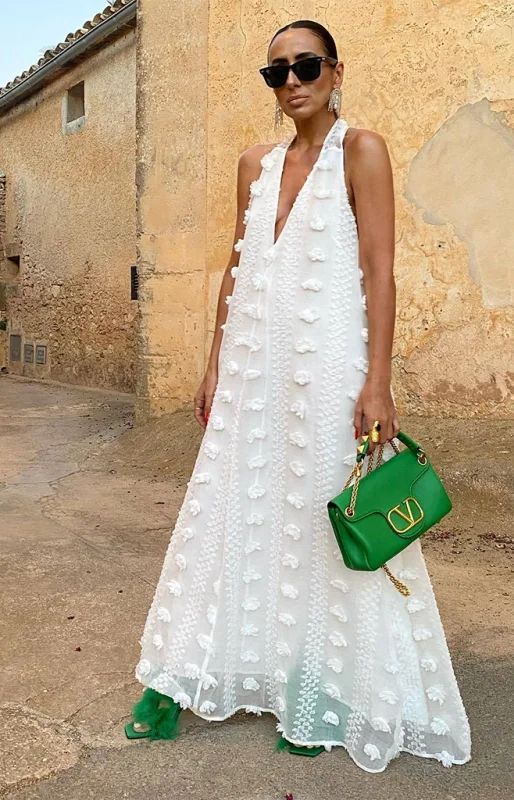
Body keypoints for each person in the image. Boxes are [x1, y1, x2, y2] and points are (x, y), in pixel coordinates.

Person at [125, 19, 472, 773]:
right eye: (275, 72)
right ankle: (176, 673)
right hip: (253, 366)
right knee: (225, 508)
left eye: (305, 66)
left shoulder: (364, 151)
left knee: (323, 518)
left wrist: (378, 380)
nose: (291, 82)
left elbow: (380, 270)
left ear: (335, 70)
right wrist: (214, 363)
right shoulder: (254, 163)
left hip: (331, 367)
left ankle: (318, 690)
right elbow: (237, 266)